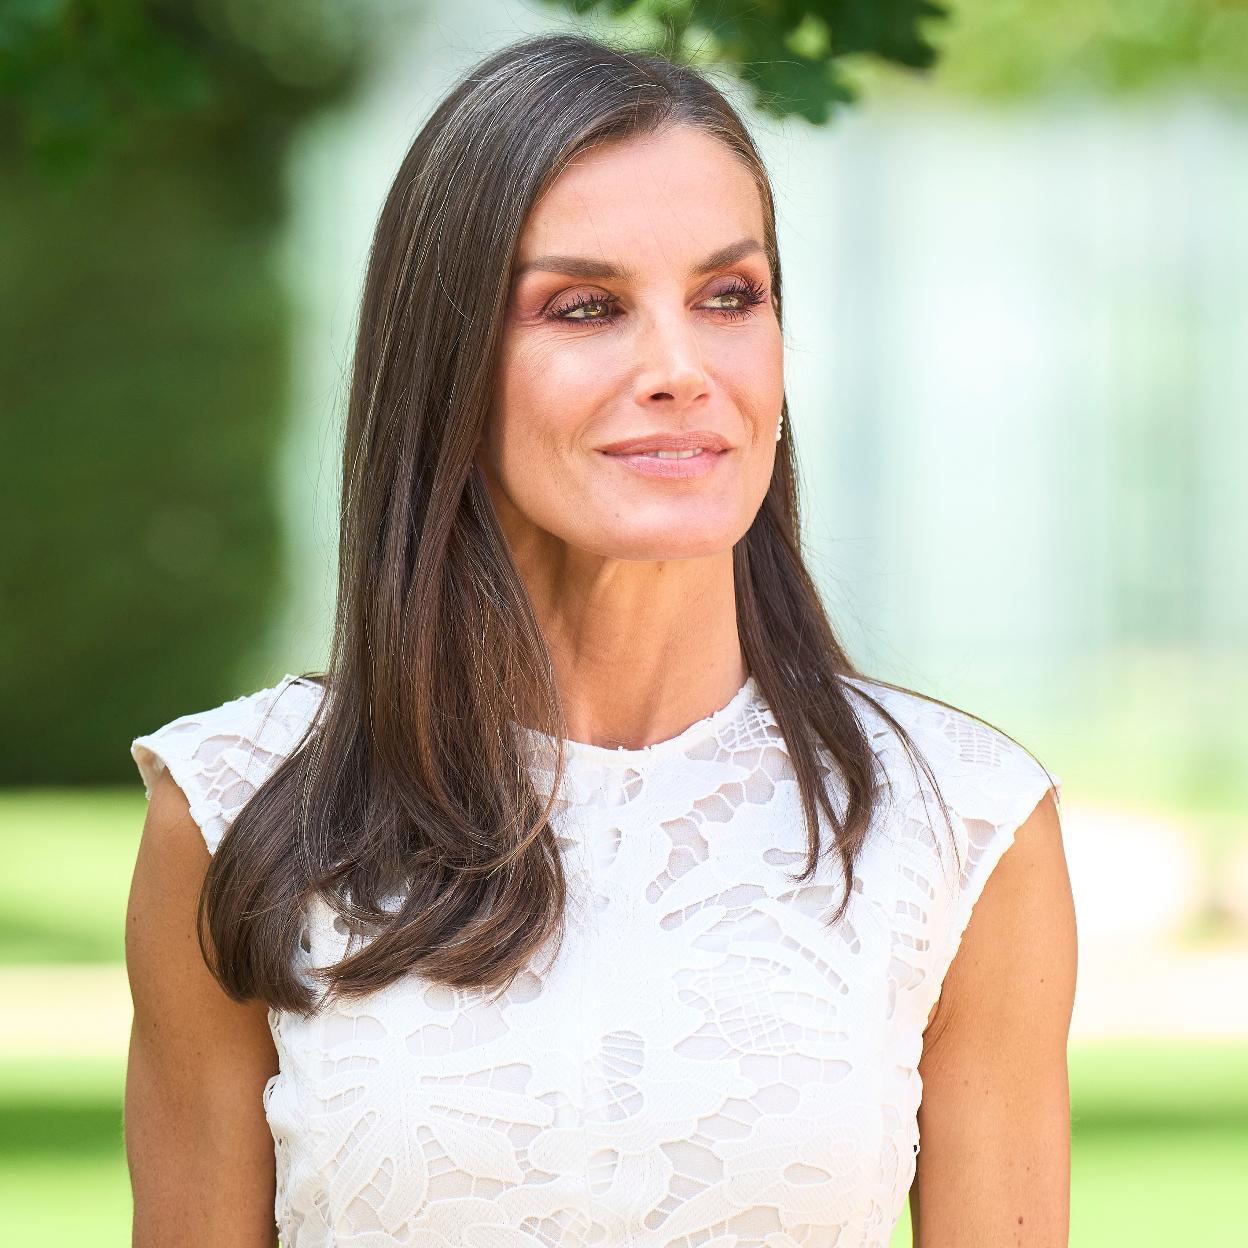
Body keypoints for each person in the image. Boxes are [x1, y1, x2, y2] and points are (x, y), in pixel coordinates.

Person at [124, 30, 1077, 1248]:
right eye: (586, 308)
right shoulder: (241, 812)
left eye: (729, 296)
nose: (681, 369)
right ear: (448, 367)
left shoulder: (959, 824)